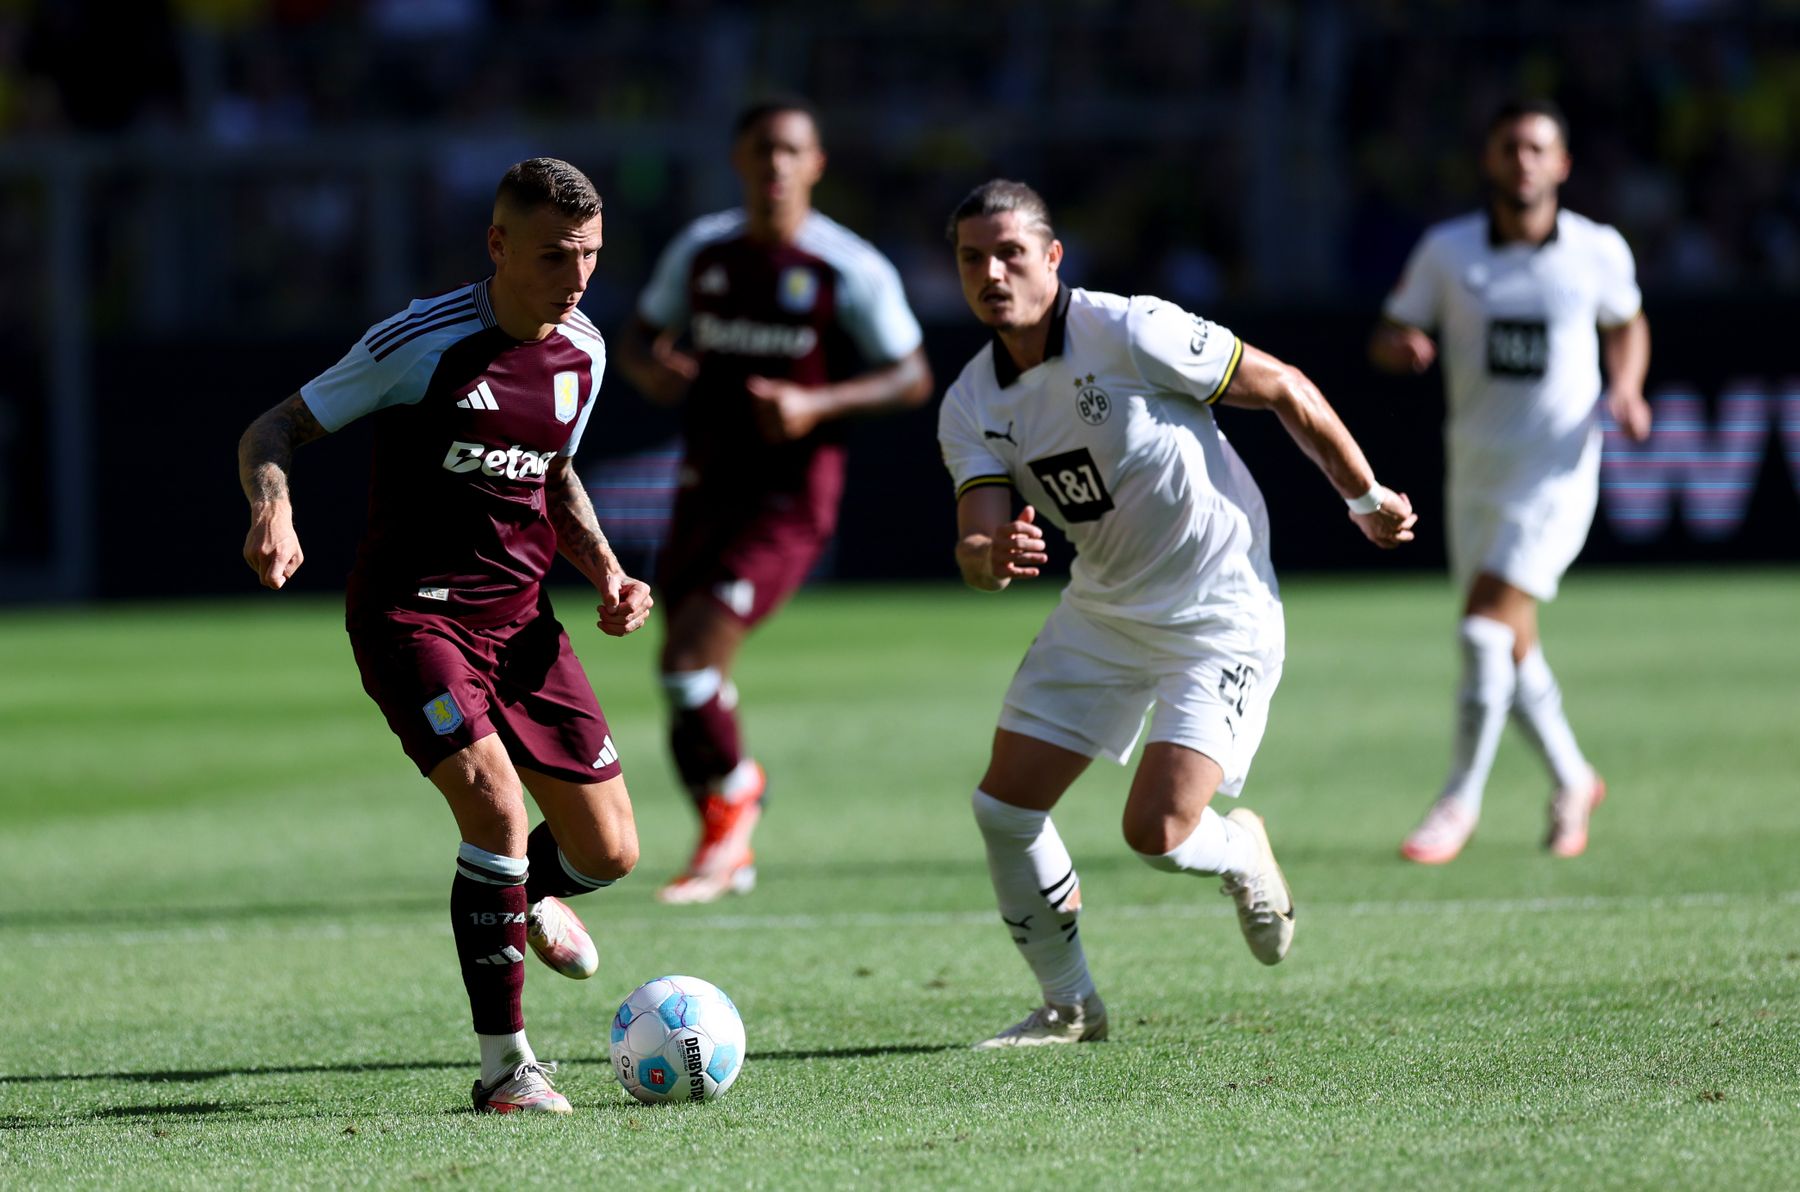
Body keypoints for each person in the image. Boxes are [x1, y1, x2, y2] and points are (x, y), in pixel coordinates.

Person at [938, 180, 1417, 1048]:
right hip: (1104, 609)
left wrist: (1366, 495)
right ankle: (1071, 1008)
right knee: (1004, 810)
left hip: (1219, 607)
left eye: (1011, 252)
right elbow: (976, 549)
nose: (992, 273)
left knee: (1156, 832)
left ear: (1053, 258)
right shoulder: (972, 403)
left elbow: (1284, 385)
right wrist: (986, 559)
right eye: (973, 257)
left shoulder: (1129, 330)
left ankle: (1241, 850)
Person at [237, 158, 653, 1113]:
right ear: (499, 246)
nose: (579, 276)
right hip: (412, 614)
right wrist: (275, 508)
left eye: (591, 255)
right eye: (556, 255)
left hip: (522, 625)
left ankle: (530, 895)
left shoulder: (582, 348)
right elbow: (272, 429)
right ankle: (508, 1070)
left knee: (609, 853)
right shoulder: (419, 340)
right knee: (497, 810)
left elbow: (552, 473)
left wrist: (608, 571)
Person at [614, 99, 932, 905]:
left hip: (788, 501)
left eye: (791, 150)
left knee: (690, 662)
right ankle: (728, 841)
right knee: (678, 672)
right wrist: (654, 370)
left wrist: (815, 407)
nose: (775, 166)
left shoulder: (845, 267)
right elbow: (640, 338)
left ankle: (736, 801)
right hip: (703, 485)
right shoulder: (703, 251)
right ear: (738, 159)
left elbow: (912, 374)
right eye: (761, 150)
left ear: (817, 164)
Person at [1371, 99, 1652, 865]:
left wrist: (1625, 387)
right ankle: (1572, 777)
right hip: (1475, 475)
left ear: (1561, 165)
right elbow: (1391, 330)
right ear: (1489, 161)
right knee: (1510, 644)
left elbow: (1627, 322)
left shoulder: (1595, 250)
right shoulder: (1449, 251)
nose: (1522, 161)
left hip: (1557, 472)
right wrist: (1402, 346)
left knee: (1482, 629)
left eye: (1537, 148)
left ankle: (1457, 800)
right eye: (1509, 148)